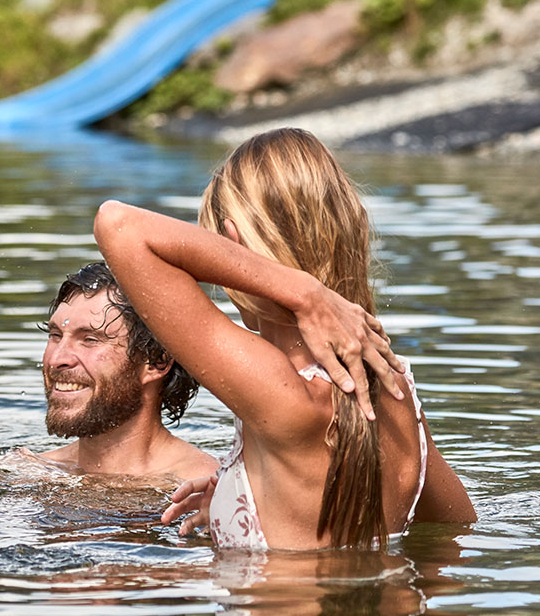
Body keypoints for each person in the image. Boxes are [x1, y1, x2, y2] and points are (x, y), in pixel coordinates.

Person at [93, 128, 475, 550]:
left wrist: (304, 293)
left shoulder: (279, 390)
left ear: (231, 244)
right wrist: (231, 498)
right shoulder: (395, 388)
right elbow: (455, 533)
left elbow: (119, 224)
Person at [0, 261, 220, 483]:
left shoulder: (205, 489)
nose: (57, 359)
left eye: (90, 339)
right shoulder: (13, 474)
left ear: (155, 362)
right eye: (55, 335)